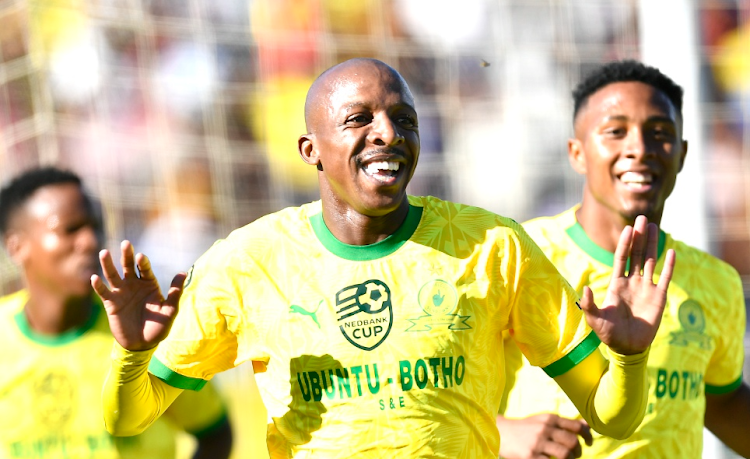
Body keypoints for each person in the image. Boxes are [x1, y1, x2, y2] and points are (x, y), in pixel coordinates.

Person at [93, 58, 675, 458]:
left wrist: (627, 359)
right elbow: (129, 419)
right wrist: (132, 355)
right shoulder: (249, 261)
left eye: (404, 119)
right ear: (311, 151)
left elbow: (613, 417)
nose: (387, 133)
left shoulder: (494, 247)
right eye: (358, 120)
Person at [496, 60, 750, 459]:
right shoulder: (518, 256)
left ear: (681, 155)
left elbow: (722, 401)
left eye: (660, 133)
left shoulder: (717, 282)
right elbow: (435, 388)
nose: (639, 148)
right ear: (577, 153)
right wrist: (498, 435)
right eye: (616, 132)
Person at [0, 166, 233, 459]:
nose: (89, 241)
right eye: (69, 229)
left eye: (95, 226)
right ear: (17, 246)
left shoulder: (145, 334)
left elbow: (214, 433)